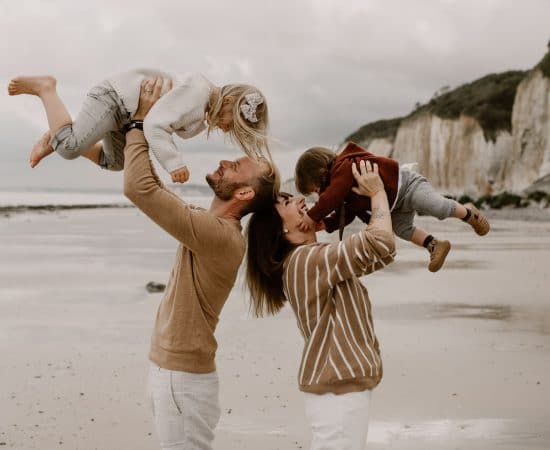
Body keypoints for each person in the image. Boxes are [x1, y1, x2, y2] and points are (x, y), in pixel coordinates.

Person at [123, 78, 278, 450]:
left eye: (236, 165)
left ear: (243, 193)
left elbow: (139, 188)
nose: (224, 161)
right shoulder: (213, 229)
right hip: (177, 374)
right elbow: (145, 183)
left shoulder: (219, 236)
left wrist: (141, 121)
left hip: (181, 379)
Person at [246, 159, 395, 450]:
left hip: (338, 388)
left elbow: (382, 254)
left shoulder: (313, 260)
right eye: (287, 202)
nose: (301, 200)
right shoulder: (305, 261)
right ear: (283, 232)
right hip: (337, 390)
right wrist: (377, 192)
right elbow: (381, 243)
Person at [8, 69, 269, 183]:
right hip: (114, 99)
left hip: (124, 117)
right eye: (230, 124)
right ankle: (46, 89)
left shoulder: (202, 114)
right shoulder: (198, 92)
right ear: (230, 101)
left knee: (115, 162)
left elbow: (161, 123)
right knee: (69, 148)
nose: (225, 130)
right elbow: (155, 125)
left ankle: (62, 132)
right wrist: (173, 163)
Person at [294, 142, 490, 272]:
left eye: (316, 189)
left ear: (321, 172)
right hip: (392, 207)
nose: (319, 194)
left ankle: (469, 213)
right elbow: (348, 214)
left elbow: (331, 197)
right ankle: (434, 245)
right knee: (401, 229)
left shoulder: (343, 168)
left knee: (436, 206)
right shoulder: (343, 193)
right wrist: (327, 224)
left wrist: (311, 216)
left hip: (407, 186)